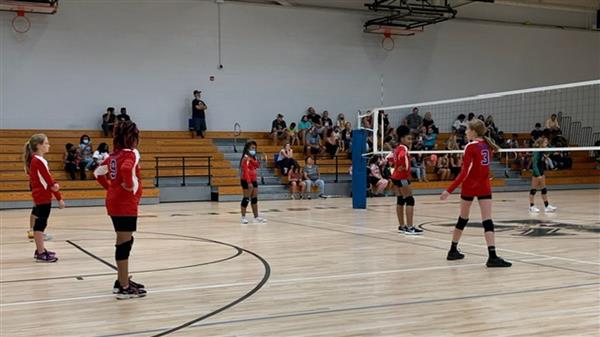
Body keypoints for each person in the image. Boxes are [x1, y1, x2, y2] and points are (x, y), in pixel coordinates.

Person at [440, 119, 512, 268]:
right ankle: (492, 256)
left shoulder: (470, 147)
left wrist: (449, 190)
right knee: (487, 220)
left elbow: (464, 173)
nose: (465, 132)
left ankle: (453, 250)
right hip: (484, 186)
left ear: (473, 131)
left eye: (467, 130)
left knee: (463, 218)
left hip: (470, 187)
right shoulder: (487, 146)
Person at [94, 121, 147, 299]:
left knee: (124, 241)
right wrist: (129, 186)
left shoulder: (113, 155)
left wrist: (110, 188)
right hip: (125, 203)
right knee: (124, 244)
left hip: (114, 201)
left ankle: (121, 280)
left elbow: (97, 173)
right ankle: (124, 286)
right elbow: (126, 169)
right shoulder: (131, 153)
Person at [24, 134, 65, 262]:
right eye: (46, 143)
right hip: (42, 196)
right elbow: (48, 179)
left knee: (40, 223)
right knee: (40, 224)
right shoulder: (38, 160)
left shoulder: (36, 160)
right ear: (39, 146)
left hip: (41, 195)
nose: (49, 145)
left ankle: (40, 250)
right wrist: (57, 191)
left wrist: (54, 189)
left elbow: (47, 179)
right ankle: (41, 253)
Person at [387, 126, 422, 235]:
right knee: (410, 200)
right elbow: (402, 157)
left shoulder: (397, 148)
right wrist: (404, 167)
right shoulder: (404, 148)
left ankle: (402, 226)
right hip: (402, 177)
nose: (410, 141)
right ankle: (410, 227)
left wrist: (397, 165)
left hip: (395, 177)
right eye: (408, 139)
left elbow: (389, 158)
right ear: (402, 139)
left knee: (400, 200)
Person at [239, 141, 267, 224]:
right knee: (246, 198)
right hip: (246, 180)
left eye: (255, 148)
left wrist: (262, 160)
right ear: (247, 149)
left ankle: (256, 217)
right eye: (252, 148)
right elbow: (245, 171)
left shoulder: (252, 157)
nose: (254, 150)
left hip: (254, 180)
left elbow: (256, 165)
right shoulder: (245, 158)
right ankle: (243, 217)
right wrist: (248, 182)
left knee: (254, 199)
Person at [529, 137, 557, 213]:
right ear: (541, 143)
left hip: (541, 172)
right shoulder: (537, 152)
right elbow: (534, 164)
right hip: (536, 173)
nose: (546, 143)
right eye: (545, 142)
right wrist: (538, 175)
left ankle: (547, 206)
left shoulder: (541, 151)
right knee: (533, 190)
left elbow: (550, 150)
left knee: (544, 189)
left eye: (547, 142)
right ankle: (531, 206)